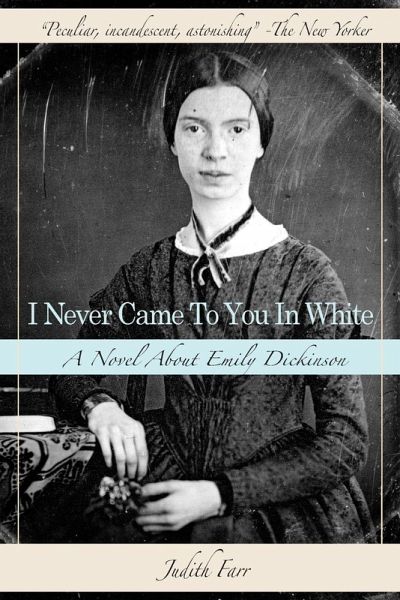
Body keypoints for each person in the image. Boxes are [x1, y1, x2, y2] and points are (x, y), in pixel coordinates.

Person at [49, 50, 375, 543]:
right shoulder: (150, 269)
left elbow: (346, 441)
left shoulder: (308, 273)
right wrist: (102, 408)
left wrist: (219, 494)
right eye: (195, 128)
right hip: (161, 478)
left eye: (237, 129)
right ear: (172, 140)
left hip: (273, 510)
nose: (215, 151)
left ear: (262, 141)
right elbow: (69, 367)